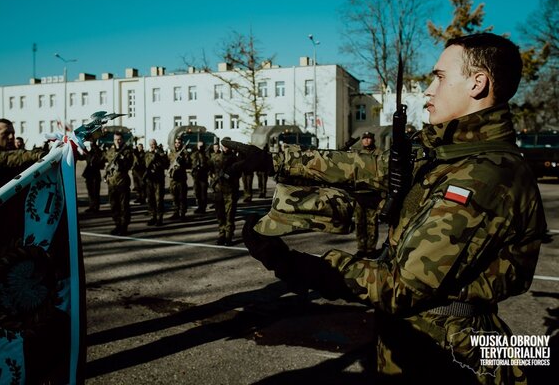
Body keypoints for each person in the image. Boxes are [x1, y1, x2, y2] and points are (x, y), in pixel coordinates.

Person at [227, 33, 546, 383]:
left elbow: (401, 286)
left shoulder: (485, 176)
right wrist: (272, 160)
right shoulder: (447, 154)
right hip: (418, 339)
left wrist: (297, 265)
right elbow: (366, 167)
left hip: (449, 354)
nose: (428, 91)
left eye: (439, 77)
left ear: (478, 83)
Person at [353, 131, 383, 256]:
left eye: (368, 138)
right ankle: (361, 248)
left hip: (372, 194)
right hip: (359, 193)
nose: (366, 141)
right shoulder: (357, 154)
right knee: (359, 222)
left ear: (373, 140)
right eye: (364, 138)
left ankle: (371, 249)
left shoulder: (379, 154)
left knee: (372, 223)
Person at [210, 138, 240, 246]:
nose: (225, 148)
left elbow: (238, 174)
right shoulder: (217, 157)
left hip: (230, 191)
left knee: (230, 215)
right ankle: (221, 234)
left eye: (227, 145)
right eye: (224, 145)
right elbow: (211, 170)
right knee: (220, 214)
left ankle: (228, 236)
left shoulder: (235, 159)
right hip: (218, 191)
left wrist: (228, 175)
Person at [104, 132, 134, 235]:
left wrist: (122, 160)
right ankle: (117, 225)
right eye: (116, 139)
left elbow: (129, 164)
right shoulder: (110, 151)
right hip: (112, 183)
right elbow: (105, 162)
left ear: (123, 140)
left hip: (122, 183)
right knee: (114, 206)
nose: (117, 141)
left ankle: (124, 227)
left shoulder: (127, 152)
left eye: (119, 139)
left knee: (123, 206)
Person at [144, 138, 169, 226]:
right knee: (150, 199)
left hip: (158, 180)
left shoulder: (161, 154)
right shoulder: (147, 154)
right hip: (150, 179)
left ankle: (159, 218)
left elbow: (166, 164)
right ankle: (153, 216)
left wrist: (159, 158)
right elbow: (145, 164)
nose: (152, 145)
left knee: (159, 200)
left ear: (156, 144)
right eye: (150, 144)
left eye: (153, 144)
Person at [168, 137, 191, 220]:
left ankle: (183, 213)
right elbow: (168, 163)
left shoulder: (184, 153)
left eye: (179, 142)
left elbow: (188, 164)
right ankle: (176, 212)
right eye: (176, 142)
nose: (177, 144)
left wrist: (183, 160)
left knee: (182, 197)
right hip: (173, 178)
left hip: (181, 178)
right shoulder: (172, 153)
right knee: (174, 197)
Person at [81, 142, 105, 213]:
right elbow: (83, 156)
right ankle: (92, 206)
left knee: (95, 192)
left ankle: (95, 207)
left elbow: (101, 165)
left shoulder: (98, 154)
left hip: (95, 175)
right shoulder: (89, 154)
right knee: (90, 192)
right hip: (89, 175)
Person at [190, 140, 210, 214]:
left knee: (203, 193)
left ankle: (203, 208)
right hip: (196, 176)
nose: (200, 147)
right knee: (197, 193)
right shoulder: (194, 154)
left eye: (202, 146)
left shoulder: (206, 154)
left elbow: (208, 163)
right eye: (199, 146)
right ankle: (199, 206)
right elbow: (191, 162)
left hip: (203, 176)